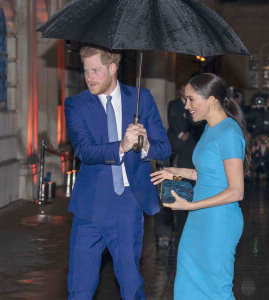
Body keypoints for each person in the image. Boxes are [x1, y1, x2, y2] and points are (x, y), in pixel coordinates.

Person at [64, 45, 171, 300]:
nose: (89, 77)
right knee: (79, 288)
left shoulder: (141, 99)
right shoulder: (76, 104)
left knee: (131, 284)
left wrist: (145, 145)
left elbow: (164, 148)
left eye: (95, 71)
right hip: (89, 207)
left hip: (128, 205)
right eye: (86, 71)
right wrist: (121, 146)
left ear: (112, 68)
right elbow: (84, 150)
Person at [150, 73, 251, 299]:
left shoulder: (230, 132)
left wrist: (190, 206)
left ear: (211, 100)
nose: (186, 106)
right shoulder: (208, 129)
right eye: (185, 100)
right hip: (199, 217)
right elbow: (209, 174)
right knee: (188, 283)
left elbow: (236, 191)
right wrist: (176, 172)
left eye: (191, 99)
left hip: (219, 222)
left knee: (215, 289)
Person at [167, 85, 204, 168]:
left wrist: (187, 133)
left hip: (188, 138)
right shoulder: (173, 103)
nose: (185, 93)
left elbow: (193, 122)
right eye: (183, 90)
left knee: (185, 162)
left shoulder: (193, 105)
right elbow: (171, 121)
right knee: (171, 162)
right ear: (180, 92)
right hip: (175, 137)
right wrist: (180, 134)